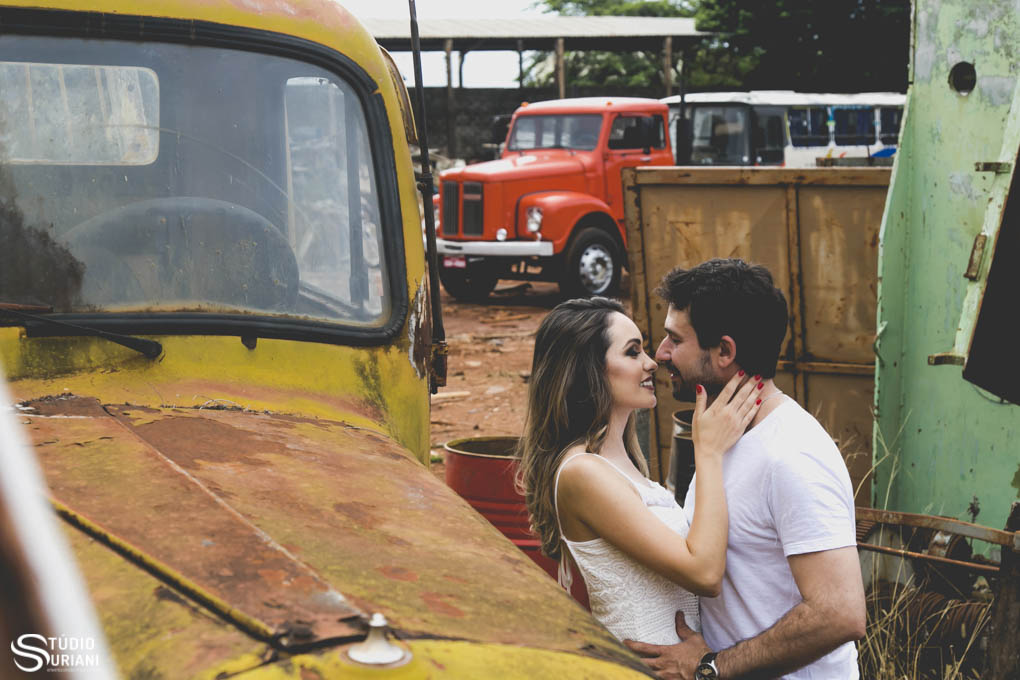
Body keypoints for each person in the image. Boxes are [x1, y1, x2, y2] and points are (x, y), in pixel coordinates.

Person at [625, 258, 866, 679]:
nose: (660, 354)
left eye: (674, 339)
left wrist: (712, 667)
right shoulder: (723, 436)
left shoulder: (792, 454)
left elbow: (840, 613)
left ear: (724, 351)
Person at [515, 296, 762, 645]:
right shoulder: (582, 472)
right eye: (632, 352)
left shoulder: (624, 465)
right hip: (635, 665)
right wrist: (708, 453)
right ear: (589, 370)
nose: (651, 363)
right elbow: (705, 574)